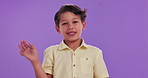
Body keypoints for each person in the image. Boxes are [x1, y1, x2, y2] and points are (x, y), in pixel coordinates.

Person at [18, 4, 109, 78]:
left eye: (75, 22)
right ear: (58, 29)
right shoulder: (51, 52)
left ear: (83, 25)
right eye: (65, 23)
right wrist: (35, 61)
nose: (70, 27)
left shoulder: (95, 52)